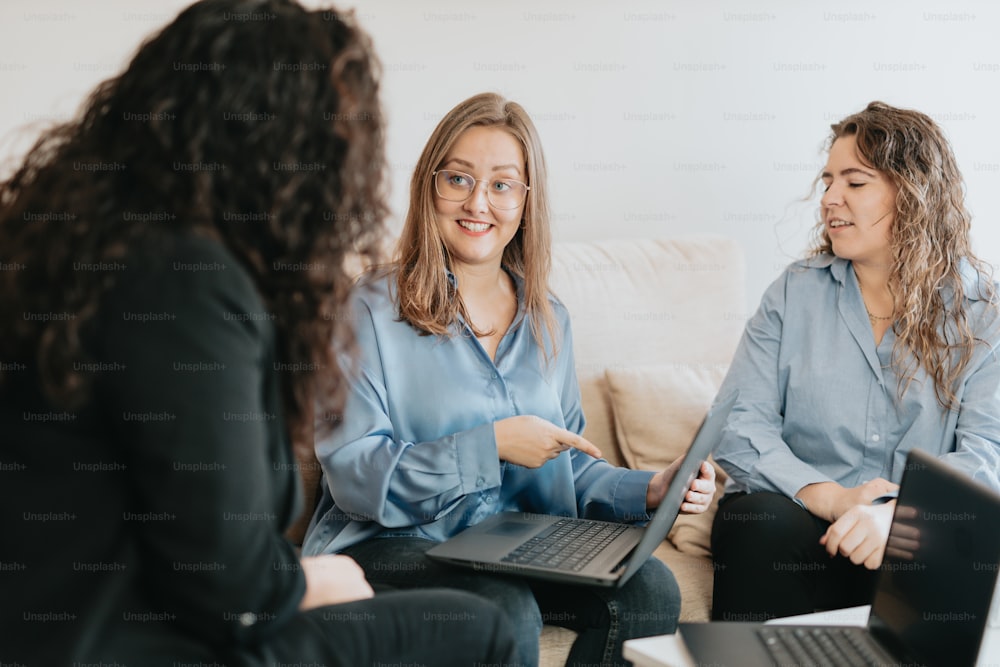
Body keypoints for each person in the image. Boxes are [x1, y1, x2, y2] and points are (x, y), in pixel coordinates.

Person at [0, 2, 519, 665]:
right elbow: (231, 584)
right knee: (486, 627)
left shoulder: (90, 242)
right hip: (116, 643)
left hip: (69, 624)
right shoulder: (185, 276)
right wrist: (312, 578)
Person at [303, 91, 718, 667]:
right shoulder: (369, 309)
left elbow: (567, 459)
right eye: (459, 179)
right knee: (504, 607)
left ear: (527, 200)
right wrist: (490, 444)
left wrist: (649, 488)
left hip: (517, 545)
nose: (479, 202)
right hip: (393, 544)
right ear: (430, 186)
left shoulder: (548, 317)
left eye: (501, 184)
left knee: (650, 587)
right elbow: (354, 476)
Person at [709, 101, 1000, 622]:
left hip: (919, 536)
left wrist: (898, 516)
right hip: (802, 522)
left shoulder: (985, 315)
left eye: (855, 183)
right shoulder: (793, 294)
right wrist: (834, 499)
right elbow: (739, 423)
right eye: (827, 181)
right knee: (755, 519)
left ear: (914, 194)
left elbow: (989, 452)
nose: (829, 199)